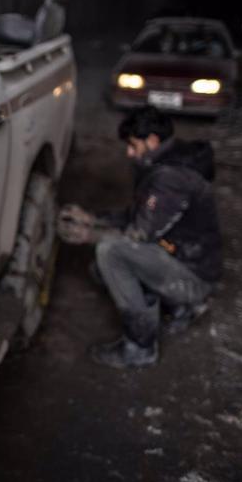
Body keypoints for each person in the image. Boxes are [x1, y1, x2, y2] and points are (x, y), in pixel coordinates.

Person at [57, 106, 221, 369]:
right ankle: (179, 306)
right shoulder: (166, 162)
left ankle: (140, 347)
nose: (129, 153)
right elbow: (141, 215)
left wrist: (90, 235)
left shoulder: (169, 178)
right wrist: (93, 218)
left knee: (110, 253)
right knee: (104, 268)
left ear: (152, 140)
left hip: (193, 277)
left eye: (133, 145)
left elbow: (140, 233)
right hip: (183, 258)